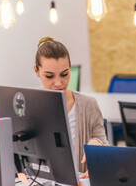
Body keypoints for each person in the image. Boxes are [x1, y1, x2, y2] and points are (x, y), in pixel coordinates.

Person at [34, 37, 108, 175]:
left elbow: (104, 143)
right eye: (49, 76)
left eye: (64, 74)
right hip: (40, 183)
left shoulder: (88, 105)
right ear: (37, 71)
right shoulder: (30, 104)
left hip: (79, 185)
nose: (58, 83)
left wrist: (97, 143)